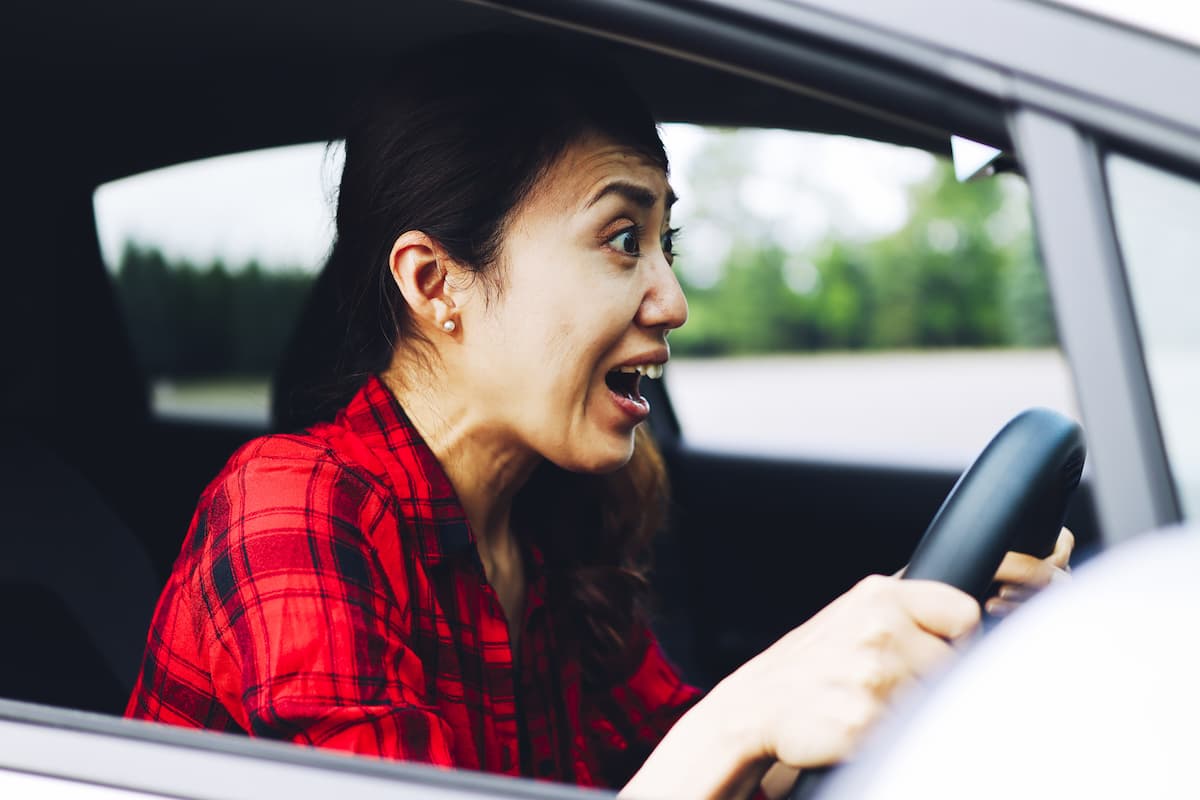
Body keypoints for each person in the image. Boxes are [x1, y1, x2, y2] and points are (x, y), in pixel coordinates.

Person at [125, 37, 1073, 799]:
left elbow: (696, 770)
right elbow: (708, 751)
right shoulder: (291, 509)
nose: (673, 299)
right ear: (435, 282)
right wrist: (743, 715)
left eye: (669, 242)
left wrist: (914, 624)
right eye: (622, 240)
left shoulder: (552, 520)